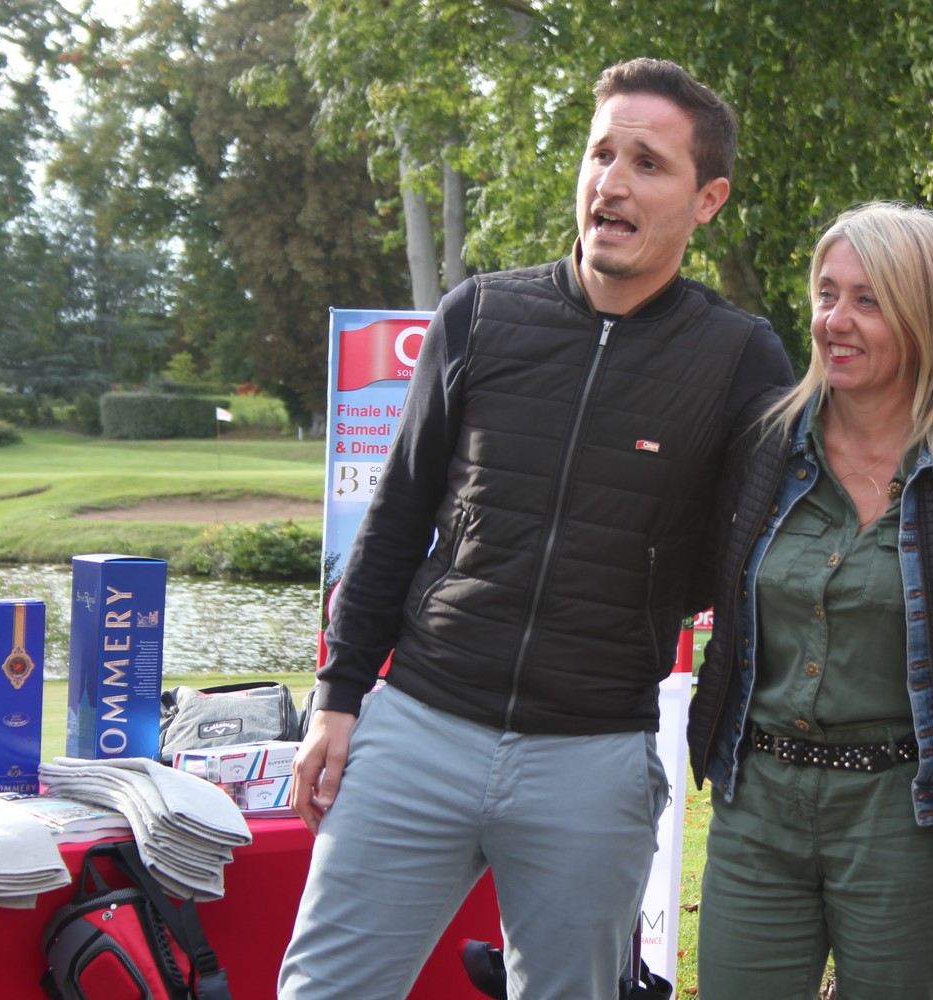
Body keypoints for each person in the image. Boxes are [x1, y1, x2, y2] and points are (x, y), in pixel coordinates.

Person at [278, 57, 792, 1000]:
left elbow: (746, 556)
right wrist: (338, 698)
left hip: (592, 758)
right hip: (418, 726)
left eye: (648, 163)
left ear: (707, 199)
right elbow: (394, 518)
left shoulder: (742, 358)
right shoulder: (479, 314)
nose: (613, 182)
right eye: (602, 153)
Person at [687, 202, 933, 1000]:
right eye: (827, 294)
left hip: (906, 813)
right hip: (757, 802)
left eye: (868, 301)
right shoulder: (764, 444)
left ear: (926, 316)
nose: (836, 321)